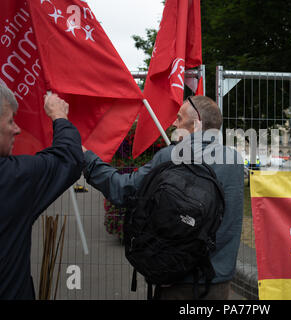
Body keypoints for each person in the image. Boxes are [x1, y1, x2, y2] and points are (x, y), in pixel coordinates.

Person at [83, 96, 244, 299]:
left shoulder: (168, 157)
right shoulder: (234, 160)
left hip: (176, 281)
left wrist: (87, 158)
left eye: (179, 118)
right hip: (219, 282)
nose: (174, 123)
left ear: (196, 124)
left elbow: (123, 190)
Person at [0, 85, 84, 300]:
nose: (17, 129)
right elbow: (68, 157)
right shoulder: (12, 178)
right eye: (10, 121)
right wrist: (59, 115)